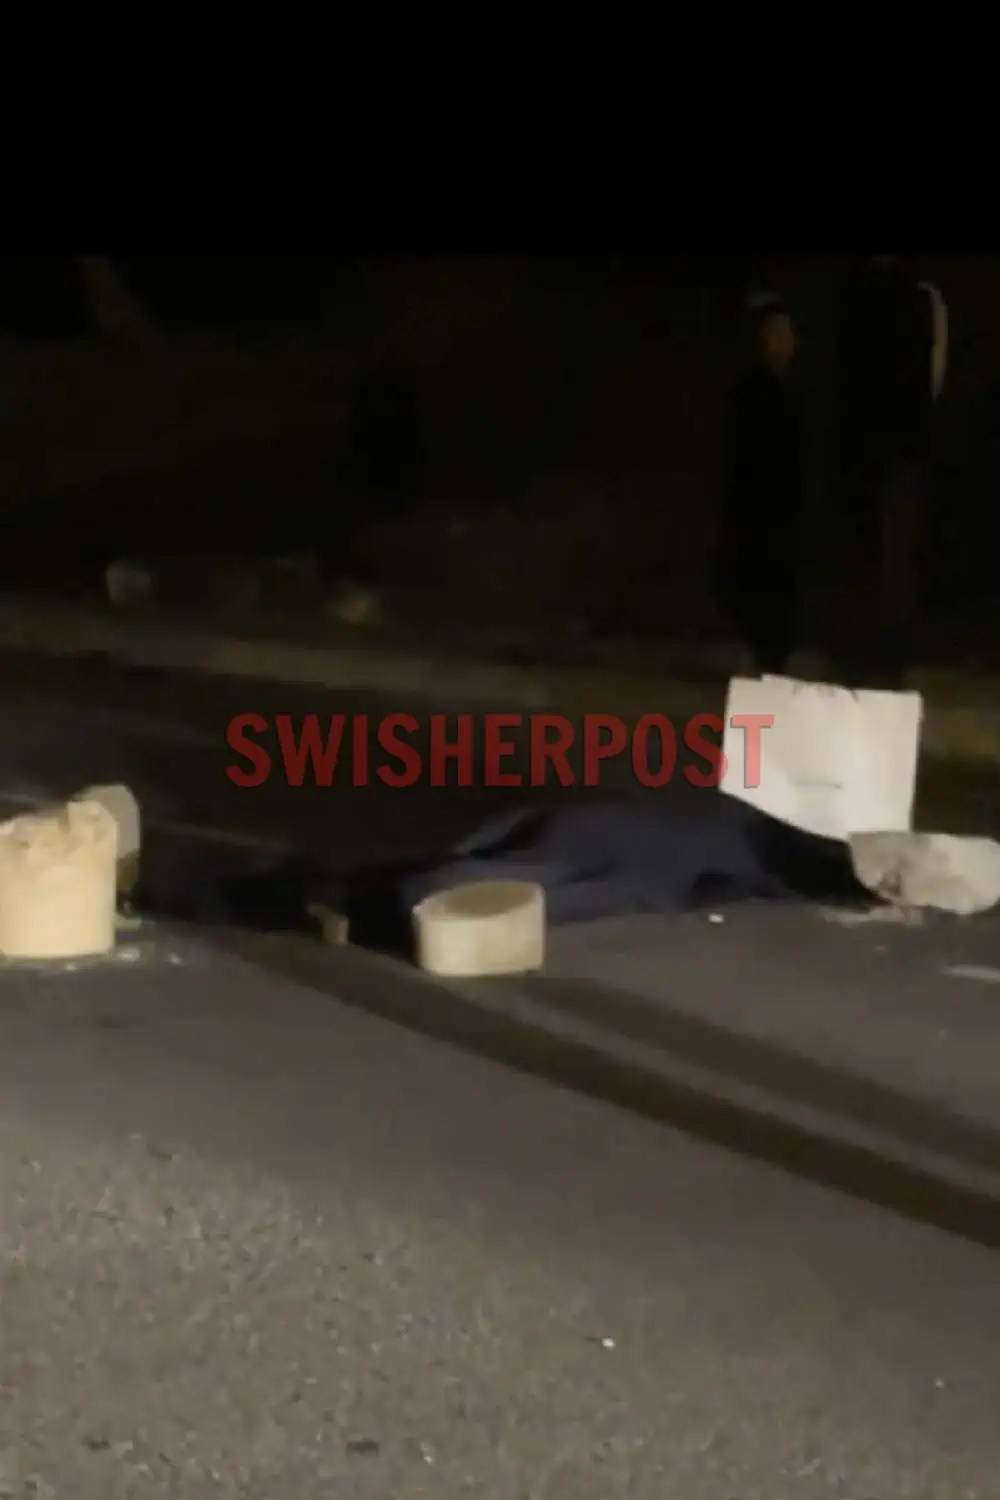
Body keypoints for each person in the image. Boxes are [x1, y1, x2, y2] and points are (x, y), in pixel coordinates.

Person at [831, 256, 947, 688]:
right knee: (874, 558)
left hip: (895, 451)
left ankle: (885, 661)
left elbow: (931, 376)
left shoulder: (918, 296)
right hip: (876, 450)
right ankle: (870, 658)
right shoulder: (863, 292)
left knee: (891, 561)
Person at [717, 295, 806, 676]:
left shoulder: (796, 389)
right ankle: (759, 651)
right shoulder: (751, 390)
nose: (782, 341)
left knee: (783, 584)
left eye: (787, 333)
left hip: (787, 507)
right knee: (757, 582)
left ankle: (776, 656)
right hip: (757, 505)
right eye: (774, 334)